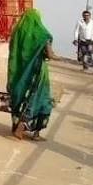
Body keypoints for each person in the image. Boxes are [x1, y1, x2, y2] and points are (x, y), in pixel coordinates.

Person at [7, 9, 56, 141]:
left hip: (20, 74)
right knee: (42, 101)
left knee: (22, 98)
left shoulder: (17, 32)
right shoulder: (42, 34)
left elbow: (14, 54)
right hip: (38, 74)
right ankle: (28, 130)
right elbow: (50, 54)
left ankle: (17, 126)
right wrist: (58, 58)